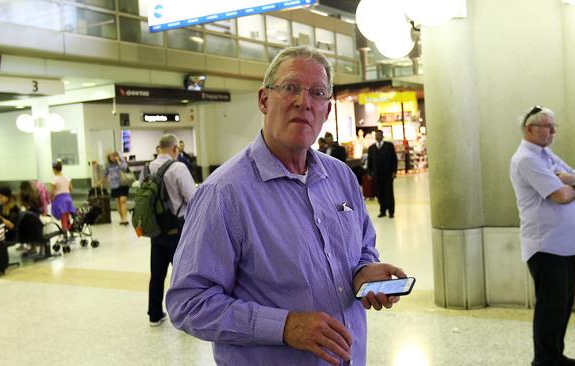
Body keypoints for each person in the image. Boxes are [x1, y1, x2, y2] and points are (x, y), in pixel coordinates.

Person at [166, 46, 406, 365]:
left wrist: (363, 272)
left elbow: (362, 247)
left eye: (317, 93)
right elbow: (189, 303)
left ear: (327, 109)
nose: (303, 102)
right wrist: (284, 326)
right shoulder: (224, 193)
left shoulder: (341, 178)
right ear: (264, 100)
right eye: (290, 87)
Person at [510, 106, 575, 366]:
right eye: (547, 126)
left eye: (554, 126)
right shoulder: (527, 159)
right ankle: (544, 361)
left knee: (562, 307)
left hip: (566, 244)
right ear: (529, 129)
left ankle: (555, 356)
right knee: (550, 309)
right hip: (546, 246)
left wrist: (569, 180)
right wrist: (571, 185)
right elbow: (562, 195)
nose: (553, 131)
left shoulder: (545, 154)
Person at [141, 134, 196, 327]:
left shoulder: (147, 168)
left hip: (156, 230)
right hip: (176, 229)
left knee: (157, 274)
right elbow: (192, 197)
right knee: (182, 274)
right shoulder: (178, 167)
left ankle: (154, 314)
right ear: (174, 149)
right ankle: (186, 315)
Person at [367, 130, 398, 218]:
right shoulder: (371, 148)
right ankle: (382, 210)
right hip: (377, 175)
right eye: (376, 135)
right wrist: (369, 173)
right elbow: (370, 161)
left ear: (382, 136)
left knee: (389, 193)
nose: (378, 136)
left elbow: (394, 159)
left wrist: (394, 171)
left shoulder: (389, 146)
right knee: (379, 193)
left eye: (379, 135)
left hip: (388, 174)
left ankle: (391, 212)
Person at [100, 152, 130, 225]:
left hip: (123, 183)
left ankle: (125, 219)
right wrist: (100, 181)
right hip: (114, 185)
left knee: (123, 200)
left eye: (115, 156)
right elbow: (105, 173)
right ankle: (122, 218)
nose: (113, 157)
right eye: (111, 156)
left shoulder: (121, 161)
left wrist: (119, 161)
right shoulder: (108, 164)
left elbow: (125, 168)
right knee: (118, 202)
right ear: (109, 157)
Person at [50, 160, 76, 233]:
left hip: (60, 200)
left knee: (63, 219)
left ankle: (65, 235)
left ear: (54, 169)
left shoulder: (54, 179)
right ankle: (70, 233)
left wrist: (51, 199)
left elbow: (52, 192)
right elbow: (71, 189)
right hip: (68, 199)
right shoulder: (67, 177)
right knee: (67, 217)